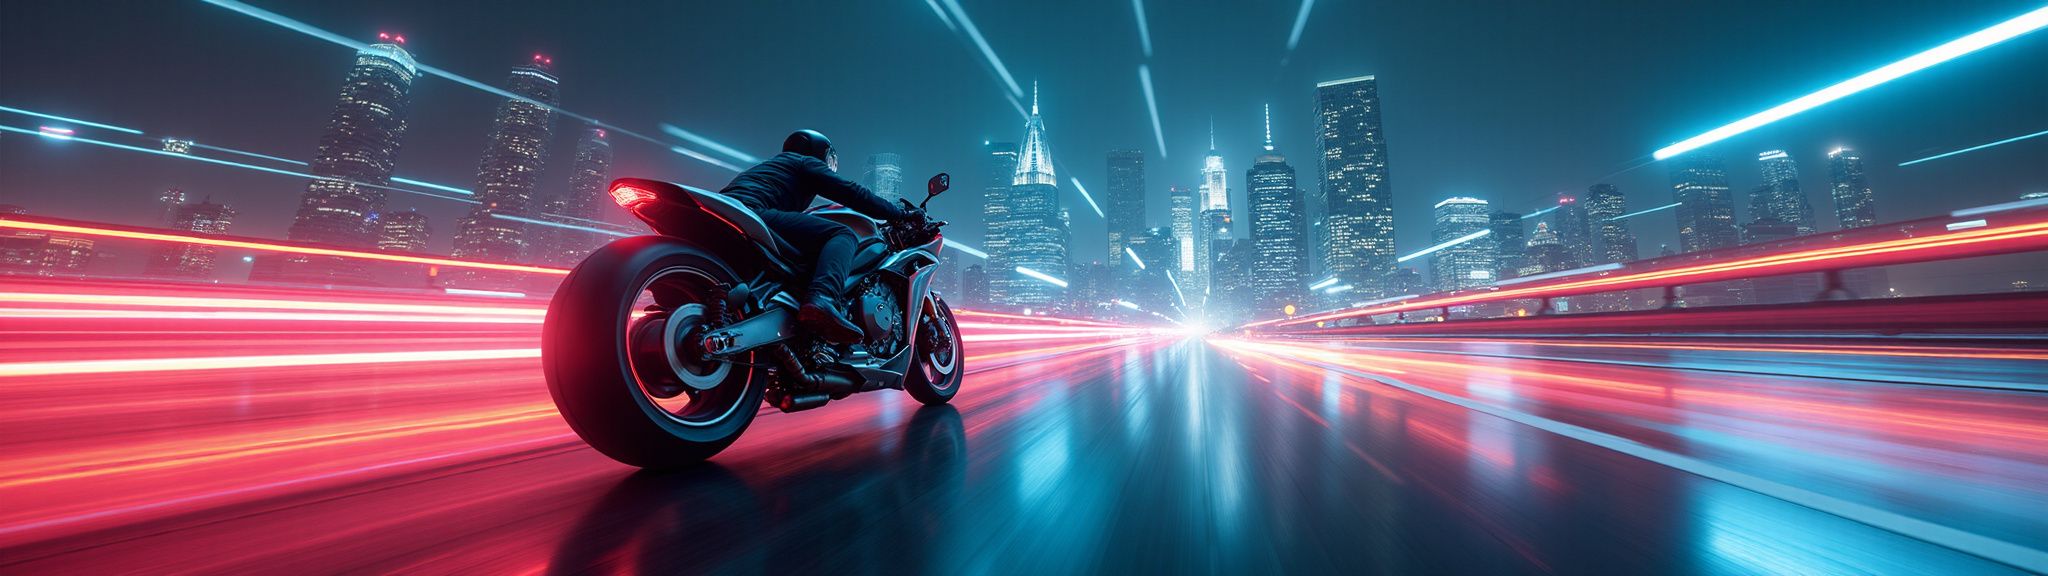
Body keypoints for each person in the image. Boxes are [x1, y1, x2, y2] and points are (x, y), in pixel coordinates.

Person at [720, 130, 913, 344]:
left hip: (733, 214)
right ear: (818, 152)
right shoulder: (803, 162)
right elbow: (851, 192)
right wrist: (898, 213)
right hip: (754, 213)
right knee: (842, 235)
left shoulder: (770, 167)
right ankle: (823, 299)